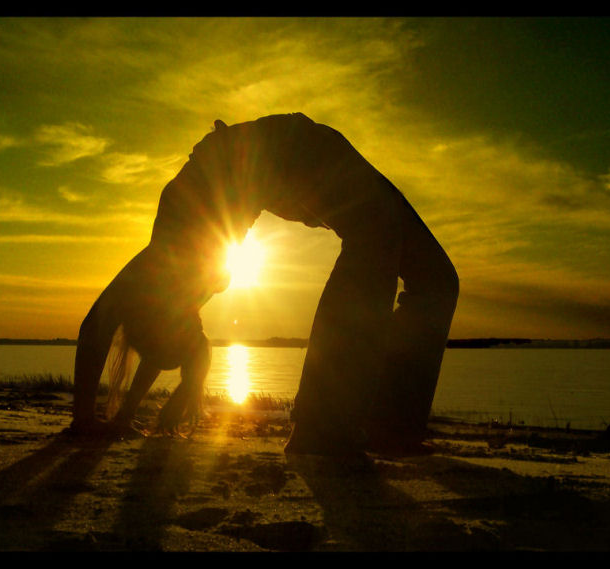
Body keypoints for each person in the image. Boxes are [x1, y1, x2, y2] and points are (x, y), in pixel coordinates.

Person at [70, 113, 458, 456]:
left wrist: (84, 419)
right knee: (401, 248)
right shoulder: (186, 290)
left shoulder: (167, 256)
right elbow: (160, 337)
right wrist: (124, 415)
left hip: (269, 153)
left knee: (429, 273)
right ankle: (342, 427)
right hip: (287, 153)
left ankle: (370, 426)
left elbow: (95, 325)